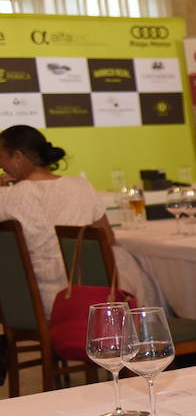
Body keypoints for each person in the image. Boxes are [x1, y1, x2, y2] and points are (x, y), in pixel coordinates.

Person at [0, 125, 158, 314]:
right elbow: (107, 237)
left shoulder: (5, 198)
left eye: (1, 158)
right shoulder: (82, 186)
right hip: (90, 297)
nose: (1, 166)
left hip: (32, 305)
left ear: (18, 156)